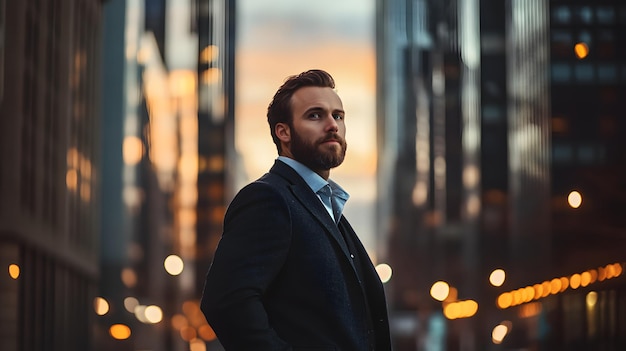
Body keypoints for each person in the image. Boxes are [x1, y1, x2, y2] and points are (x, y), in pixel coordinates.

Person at [200, 69, 392, 350]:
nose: (332, 126)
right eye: (315, 115)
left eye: (338, 116)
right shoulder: (268, 198)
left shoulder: (325, 205)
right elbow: (227, 301)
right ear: (283, 132)